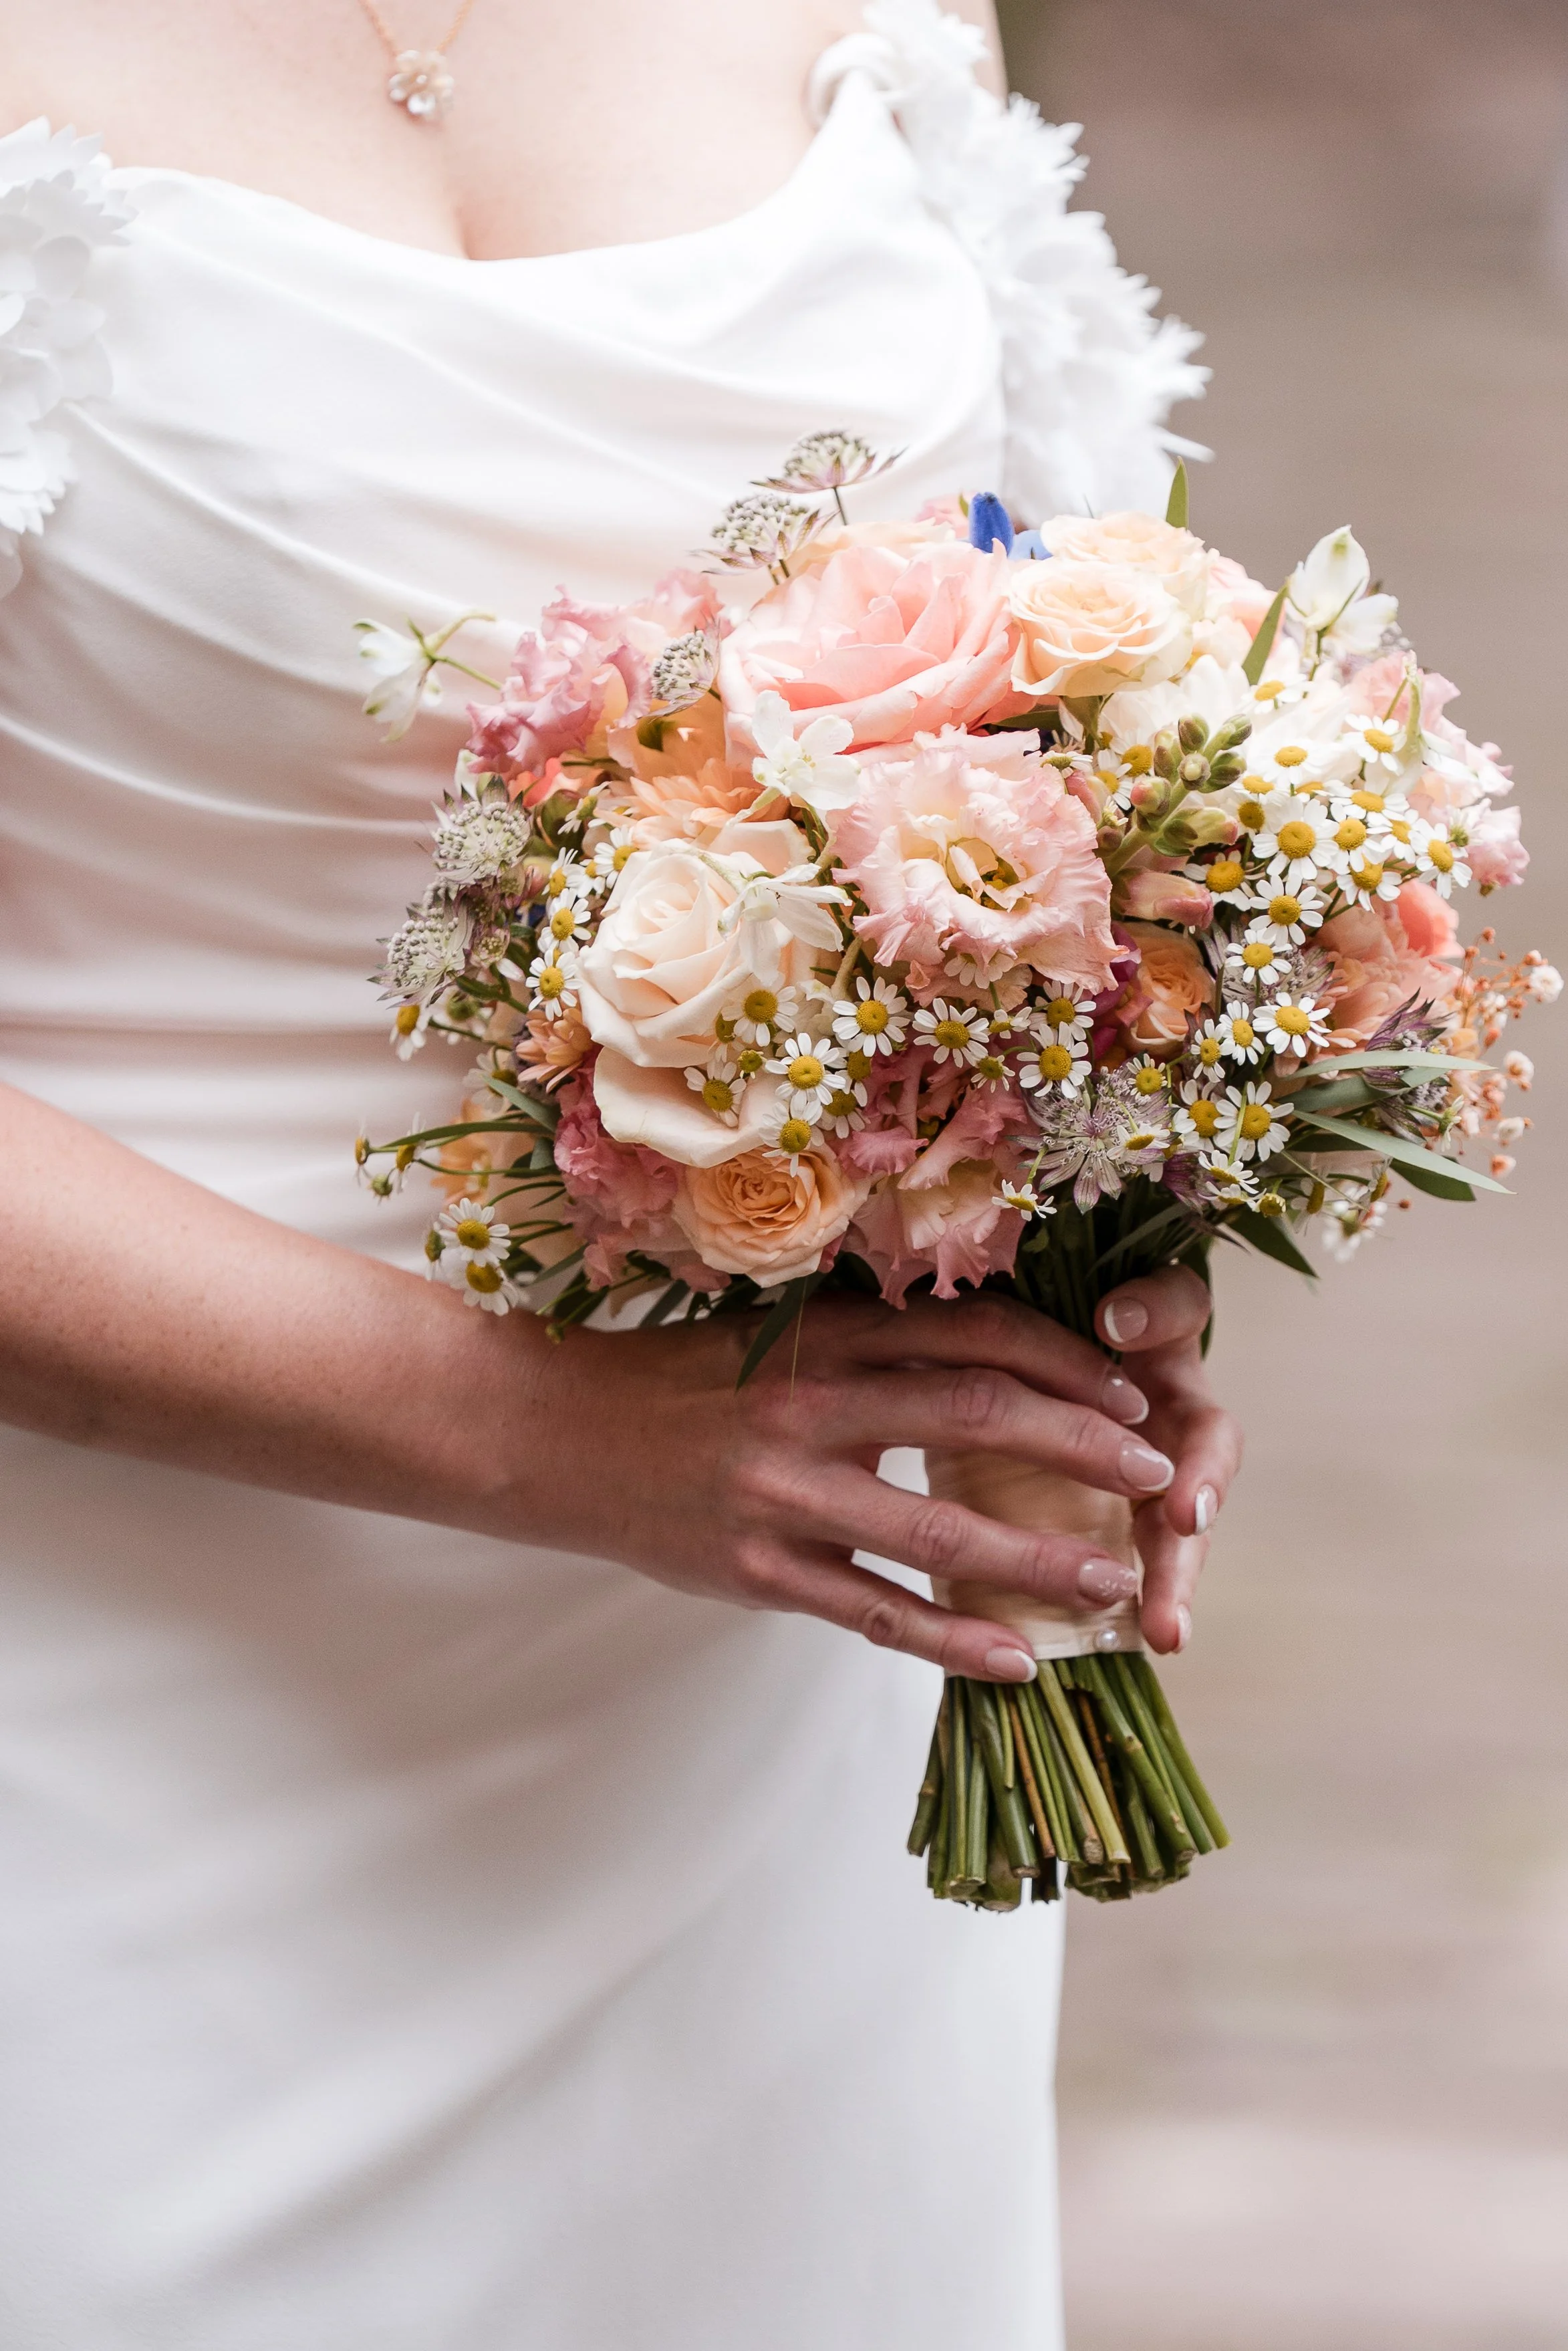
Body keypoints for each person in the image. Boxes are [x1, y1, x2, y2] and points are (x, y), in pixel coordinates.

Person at [0, 3, 1240, 2343]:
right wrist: (551, 1436)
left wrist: (1104, 1197)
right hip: (127, 1696)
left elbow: (1058, 686)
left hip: (774, 1714)